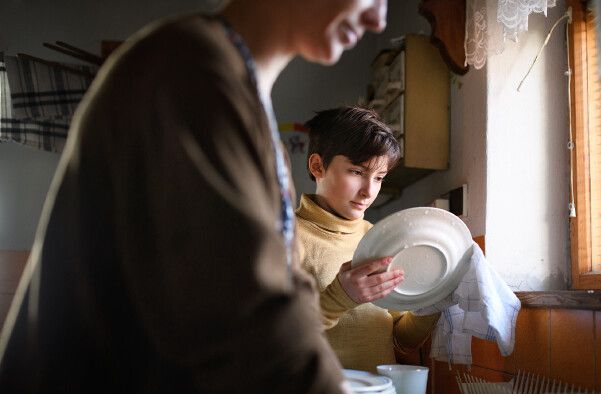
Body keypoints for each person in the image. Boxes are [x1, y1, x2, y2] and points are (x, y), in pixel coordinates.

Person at [0, 1, 388, 392]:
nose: (379, 19)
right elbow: (246, 317)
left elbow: (283, 294)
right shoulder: (189, 73)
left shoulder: (241, 96)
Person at [296, 106, 441, 372]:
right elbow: (266, 338)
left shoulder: (381, 238)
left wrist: (435, 300)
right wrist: (340, 297)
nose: (369, 191)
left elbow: (399, 340)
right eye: (356, 172)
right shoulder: (284, 238)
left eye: (379, 178)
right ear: (317, 166)